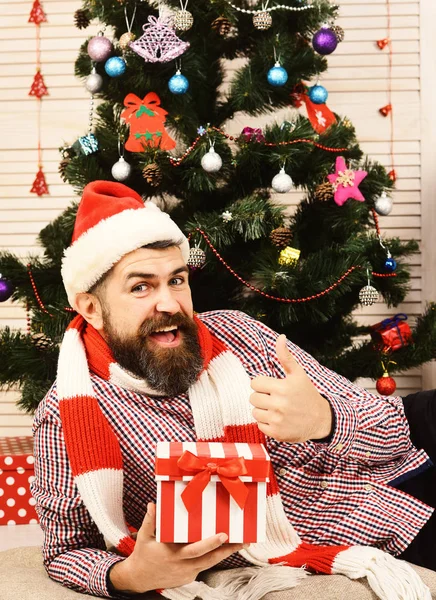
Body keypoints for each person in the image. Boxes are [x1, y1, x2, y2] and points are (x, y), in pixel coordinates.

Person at [31, 181, 435, 600]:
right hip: (378, 523)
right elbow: (65, 549)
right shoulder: (65, 416)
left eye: (177, 280)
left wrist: (325, 420)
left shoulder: (241, 334)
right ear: (91, 308)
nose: (170, 304)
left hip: (408, 461)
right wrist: (132, 574)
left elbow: (395, 430)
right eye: (141, 286)